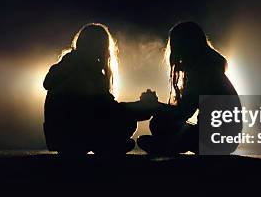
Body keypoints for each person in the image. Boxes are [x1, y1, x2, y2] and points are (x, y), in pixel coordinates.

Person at [43, 23, 155, 155]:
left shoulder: (64, 66)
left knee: (123, 124)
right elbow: (109, 108)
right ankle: (103, 145)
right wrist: (143, 107)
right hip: (78, 135)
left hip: (58, 139)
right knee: (128, 122)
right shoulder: (89, 72)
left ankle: (98, 144)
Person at [137, 21, 242, 155]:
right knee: (159, 124)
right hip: (224, 140)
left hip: (215, 140)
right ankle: (169, 146)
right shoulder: (209, 67)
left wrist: (154, 105)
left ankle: (168, 147)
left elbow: (183, 112)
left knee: (159, 123)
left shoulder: (203, 70)